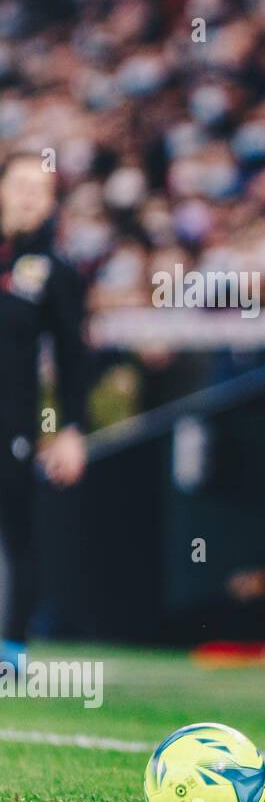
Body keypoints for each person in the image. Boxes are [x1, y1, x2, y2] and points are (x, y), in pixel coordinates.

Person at [0, 151, 88, 674]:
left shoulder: (53, 273)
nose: (29, 195)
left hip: (9, 426)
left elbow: (74, 357)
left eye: (41, 188)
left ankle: (10, 653)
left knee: (15, 532)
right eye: (20, 184)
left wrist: (71, 428)